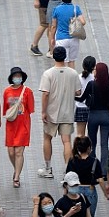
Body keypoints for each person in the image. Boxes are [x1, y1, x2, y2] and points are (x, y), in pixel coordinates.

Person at [38, 46, 81, 178]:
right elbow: (78, 92)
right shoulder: (73, 73)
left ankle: (48, 168)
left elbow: (45, 94)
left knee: (47, 138)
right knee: (66, 141)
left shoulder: (48, 74)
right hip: (67, 112)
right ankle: (68, 171)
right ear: (65, 56)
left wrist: (43, 112)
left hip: (52, 113)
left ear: (54, 56)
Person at [2, 66, 34, 188]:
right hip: (11, 125)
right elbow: (5, 110)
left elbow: (30, 109)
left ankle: (16, 177)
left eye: (19, 76)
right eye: (15, 76)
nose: (17, 78)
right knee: (11, 152)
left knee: (19, 152)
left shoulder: (28, 91)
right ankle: (17, 169)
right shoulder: (7, 91)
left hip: (23, 126)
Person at [65, 136, 109, 217]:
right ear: (89, 148)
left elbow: (68, 178)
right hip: (90, 190)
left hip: (76, 190)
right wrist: (106, 194)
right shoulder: (94, 161)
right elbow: (100, 180)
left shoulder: (72, 161)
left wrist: (65, 193)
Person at [50, 0, 86, 69]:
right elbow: (83, 22)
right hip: (74, 38)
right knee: (71, 61)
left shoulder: (56, 9)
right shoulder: (76, 8)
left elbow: (54, 26)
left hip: (61, 38)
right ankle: (72, 78)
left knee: (62, 62)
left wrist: (52, 38)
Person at [74, 56, 95, 137]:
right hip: (92, 108)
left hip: (80, 107)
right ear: (93, 67)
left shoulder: (78, 77)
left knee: (80, 134)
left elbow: (76, 92)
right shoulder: (95, 78)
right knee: (91, 134)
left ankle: (79, 149)